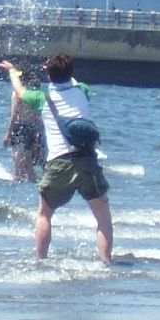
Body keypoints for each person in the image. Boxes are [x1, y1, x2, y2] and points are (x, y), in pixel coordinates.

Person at [29, 51, 114, 265]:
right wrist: (59, 72)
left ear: (49, 74)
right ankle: (106, 261)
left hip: (59, 161)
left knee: (44, 214)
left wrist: (12, 71)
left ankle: (41, 261)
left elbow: (20, 91)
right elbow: (73, 82)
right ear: (71, 73)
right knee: (103, 215)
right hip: (87, 159)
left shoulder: (41, 97)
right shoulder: (82, 90)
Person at [0, 59, 47, 186]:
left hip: (20, 128)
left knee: (18, 160)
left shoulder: (18, 94)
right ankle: (34, 183)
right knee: (29, 161)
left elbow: (14, 115)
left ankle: (18, 182)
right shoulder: (35, 95)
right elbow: (39, 117)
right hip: (33, 129)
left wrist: (8, 133)